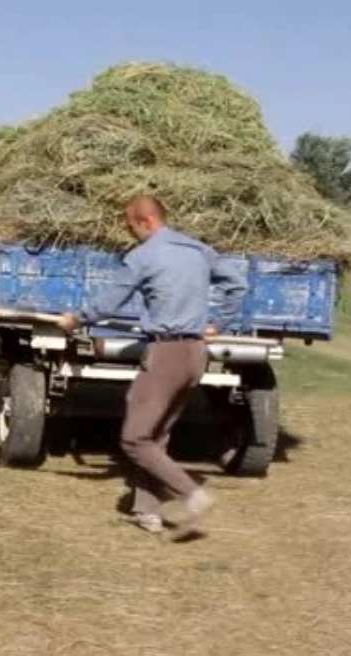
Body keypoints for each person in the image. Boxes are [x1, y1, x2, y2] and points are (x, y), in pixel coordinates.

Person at [56, 195, 247, 541]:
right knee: (156, 436)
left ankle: (192, 495)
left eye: (131, 226)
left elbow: (112, 301)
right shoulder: (197, 249)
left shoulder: (143, 256)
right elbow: (238, 284)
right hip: (196, 353)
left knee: (134, 439)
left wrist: (76, 318)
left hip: (167, 353)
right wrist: (220, 324)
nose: (131, 234)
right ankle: (148, 512)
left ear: (145, 221)